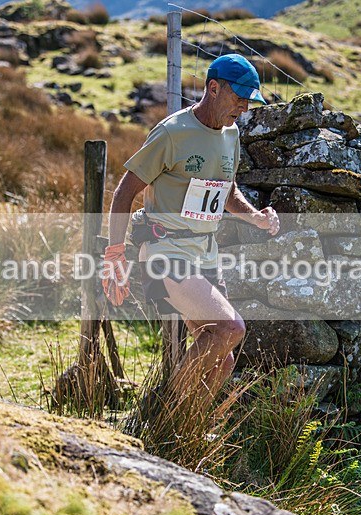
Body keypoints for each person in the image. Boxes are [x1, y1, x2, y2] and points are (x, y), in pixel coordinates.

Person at [103, 54, 280, 402]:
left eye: (249, 100)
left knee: (223, 359)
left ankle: (184, 432)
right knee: (231, 328)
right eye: (238, 97)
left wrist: (255, 216)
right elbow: (124, 193)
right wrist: (115, 254)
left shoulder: (231, 134)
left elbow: (226, 190)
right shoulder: (172, 133)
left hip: (205, 254)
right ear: (213, 88)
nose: (243, 107)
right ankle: (162, 415)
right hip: (165, 251)